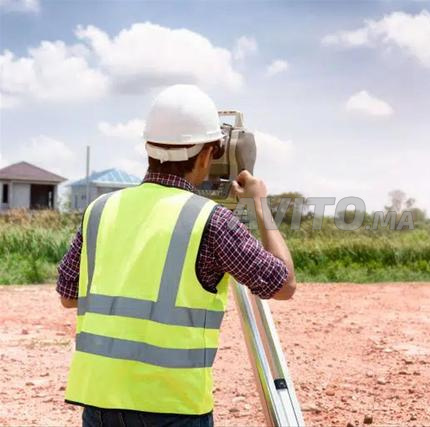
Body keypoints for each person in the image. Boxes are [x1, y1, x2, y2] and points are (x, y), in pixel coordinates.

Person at [56, 84, 297, 427]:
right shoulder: (210, 221)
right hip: (172, 407)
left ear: (149, 147)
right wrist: (259, 204)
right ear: (207, 153)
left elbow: (68, 297)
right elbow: (284, 285)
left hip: (99, 403)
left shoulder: (100, 210)